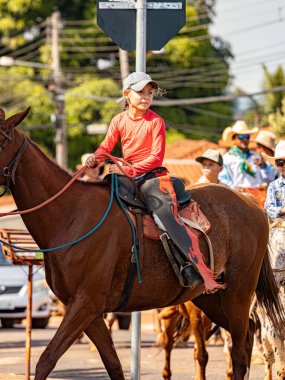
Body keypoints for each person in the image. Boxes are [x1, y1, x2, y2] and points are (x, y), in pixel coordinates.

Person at [85, 71, 222, 292]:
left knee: (163, 216)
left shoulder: (156, 121)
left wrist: (130, 169)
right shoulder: (118, 120)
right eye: (140, 92)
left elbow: (156, 157)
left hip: (152, 177)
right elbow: (106, 145)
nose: (146, 97)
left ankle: (190, 266)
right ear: (126, 94)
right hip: (125, 174)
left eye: (150, 93)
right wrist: (96, 157)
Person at [219, 120, 275, 206]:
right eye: (241, 137)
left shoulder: (256, 157)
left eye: (247, 136)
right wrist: (235, 189)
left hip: (259, 197)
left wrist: (263, 166)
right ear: (234, 140)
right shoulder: (227, 158)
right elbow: (222, 178)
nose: (245, 139)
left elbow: (269, 179)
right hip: (238, 197)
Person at [264, 140, 285, 221]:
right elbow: (268, 209)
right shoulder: (273, 186)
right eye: (280, 163)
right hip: (280, 227)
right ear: (276, 164)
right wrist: (281, 210)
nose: (284, 166)